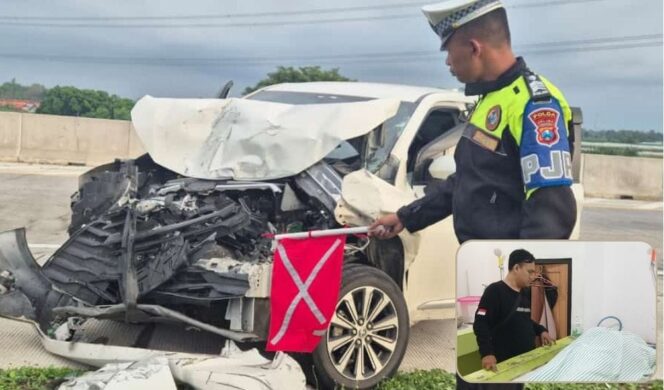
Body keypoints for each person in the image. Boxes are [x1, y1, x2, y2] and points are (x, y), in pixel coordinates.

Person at [370, 0, 577, 242]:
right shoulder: (489, 100)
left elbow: (550, 206)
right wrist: (407, 217)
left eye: (448, 51)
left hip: (510, 268)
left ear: (473, 48)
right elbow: (468, 182)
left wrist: (522, 276)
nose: (447, 62)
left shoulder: (535, 106)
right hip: (481, 261)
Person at [473, 249, 556, 372]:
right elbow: (481, 323)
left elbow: (524, 320)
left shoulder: (524, 293)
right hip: (505, 364)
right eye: (530, 272)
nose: (533, 276)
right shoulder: (494, 291)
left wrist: (541, 331)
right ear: (516, 268)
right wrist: (486, 353)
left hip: (527, 361)